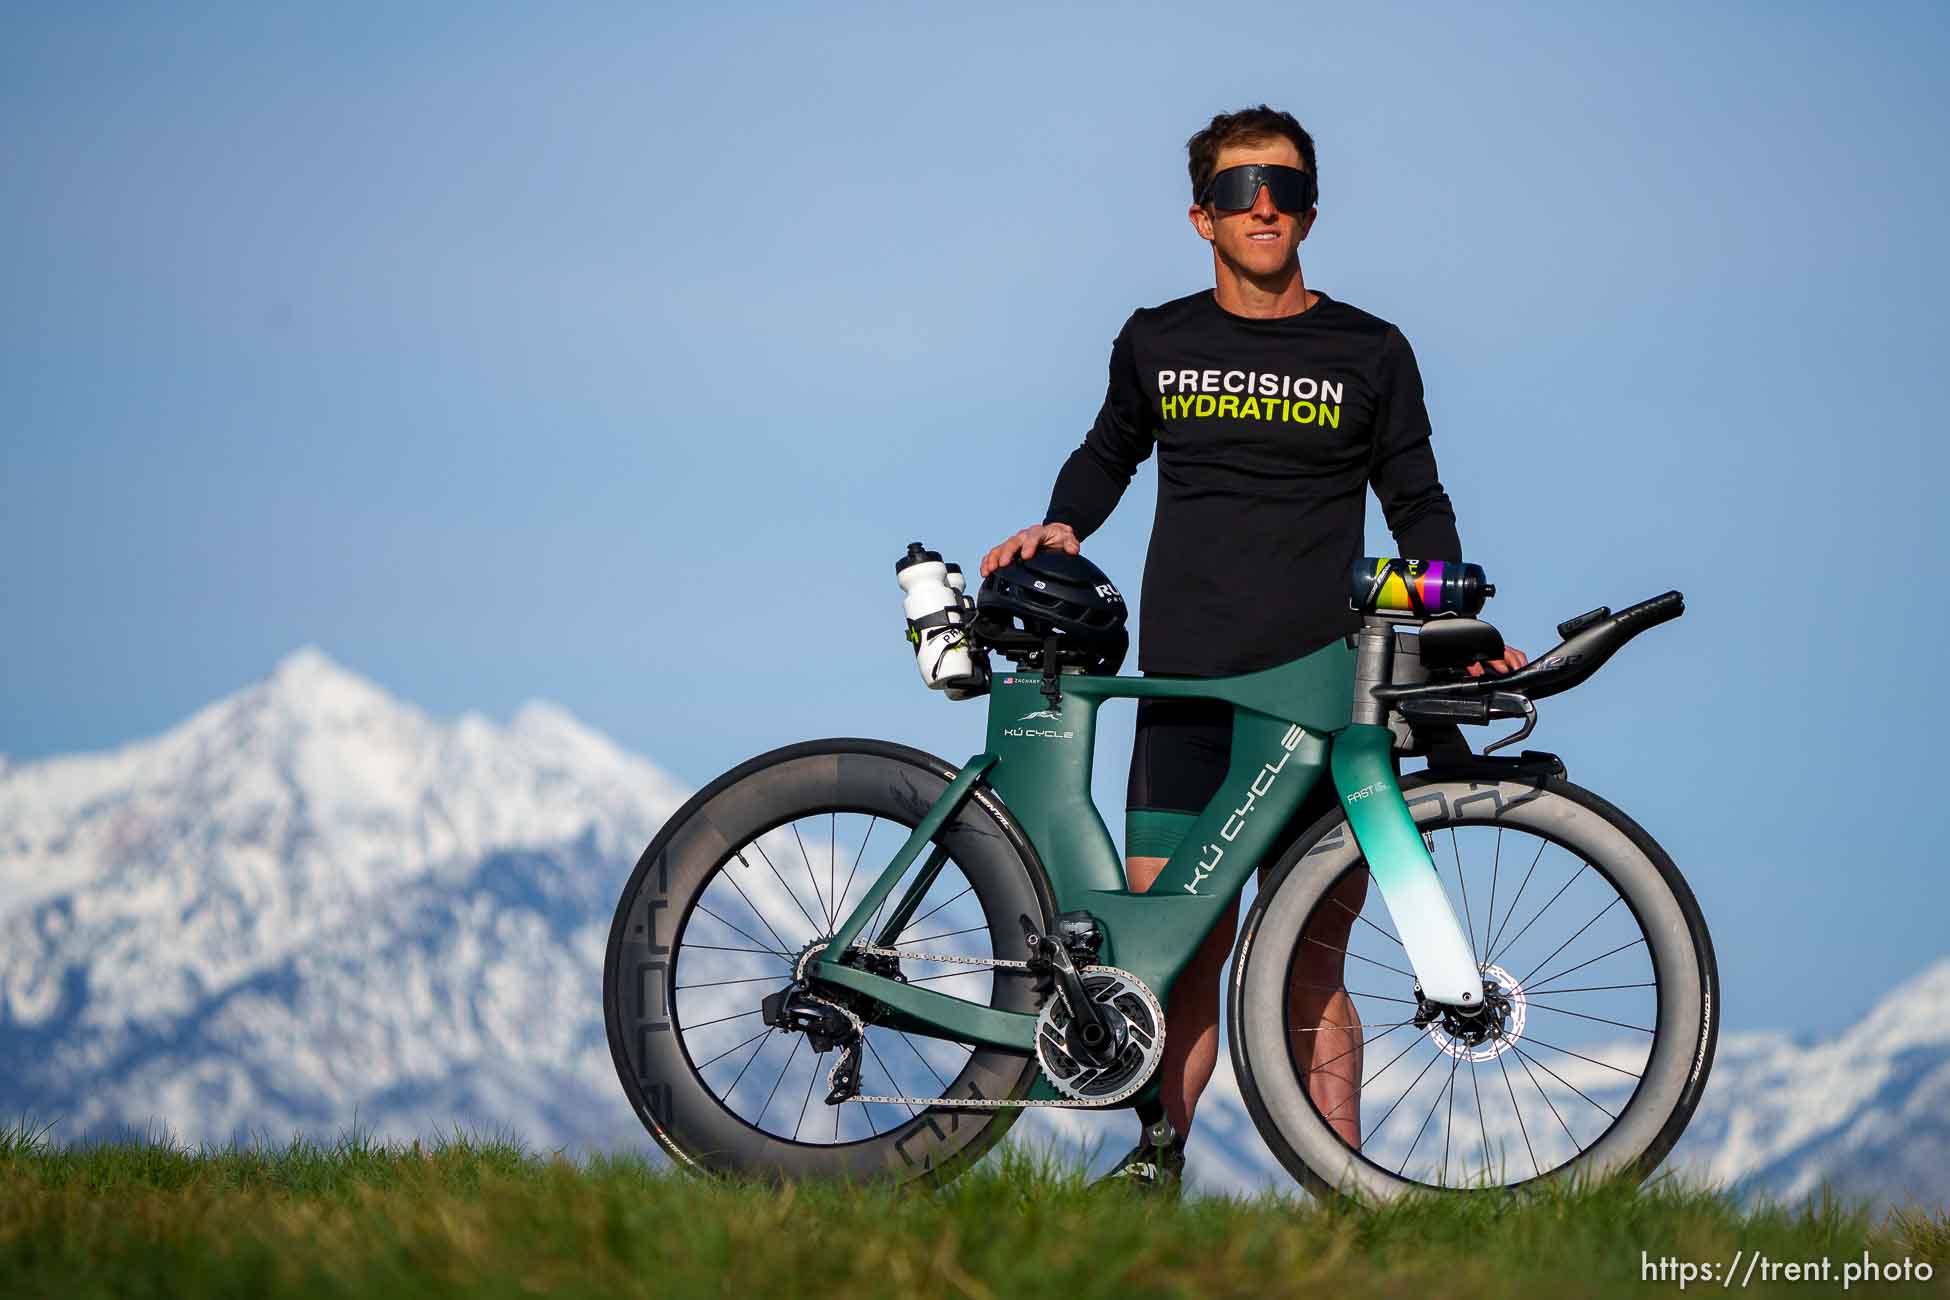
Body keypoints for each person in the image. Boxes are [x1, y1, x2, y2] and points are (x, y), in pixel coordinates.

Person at [979, 105, 1528, 1194]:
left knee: (1310, 966)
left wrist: (1458, 628)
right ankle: (1154, 1170)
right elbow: (1106, 453)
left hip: (1322, 691)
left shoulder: (1371, 350)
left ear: (1311, 208)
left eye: (1282, 185)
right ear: (1202, 217)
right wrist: (1059, 522)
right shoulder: (1156, 340)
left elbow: (1418, 501)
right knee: (1172, 955)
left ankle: (1350, 1197)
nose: (1262, 203)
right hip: (1183, 689)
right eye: (1238, 189)